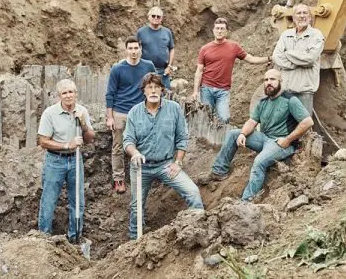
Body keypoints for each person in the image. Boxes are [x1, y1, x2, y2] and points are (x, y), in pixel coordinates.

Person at [205, 69, 313, 201]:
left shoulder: (290, 100)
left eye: (272, 79)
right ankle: (219, 172)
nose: (269, 83)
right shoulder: (263, 102)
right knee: (234, 134)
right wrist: (243, 134)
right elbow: (252, 121)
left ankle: (247, 200)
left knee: (259, 162)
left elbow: (308, 122)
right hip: (264, 138)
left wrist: (288, 139)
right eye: (266, 80)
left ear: (280, 81)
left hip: (281, 143)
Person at [123, 73, 204, 239]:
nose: (153, 91)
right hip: (141, 167)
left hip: (165, 165)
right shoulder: (134, 112)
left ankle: (197, 230)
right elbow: (128, 141)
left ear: (162, 90)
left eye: (156, 87)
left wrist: (178, 162)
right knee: (136, 206)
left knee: (193, 192)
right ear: (143, 91)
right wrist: (135, 153)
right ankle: (133, 241)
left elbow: (182, 138)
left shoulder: (173, 109)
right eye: (149, 88)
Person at [38, 79, 95, 242]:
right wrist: (67, 144)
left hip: (75, 159)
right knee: (49, 200)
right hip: (55, 160)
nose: (68, 95)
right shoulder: (50, 113)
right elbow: (43, 141)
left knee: (78, 200)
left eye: (71, 92)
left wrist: (83, 123)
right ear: (59, 96)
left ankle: (75, 238)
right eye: (64, 93)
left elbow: (90, 138)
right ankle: (43, 238)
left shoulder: (82, 111)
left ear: (76, 94)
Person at [191, 17, 270, 124]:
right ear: (213, 30)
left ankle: (221, 140)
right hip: (206, 88)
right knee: (205, 118)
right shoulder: (205, 49)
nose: (219, 31)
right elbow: (199, 71)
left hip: (223, 91)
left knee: (224, 118)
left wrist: (268, 59)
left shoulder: (234, 47)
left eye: (222, 29)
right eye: (217, 28)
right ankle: (205, 140)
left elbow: (250, 59)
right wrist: (195, 91)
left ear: (227, 31)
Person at [106, 36, 156, 194]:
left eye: (136, 48)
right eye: (131, 48)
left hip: (141, 112)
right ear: (126, 50)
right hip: (121, 111)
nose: (134, 51)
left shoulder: (148, 66)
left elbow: (154, 87)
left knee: (142, 145)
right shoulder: (117, 68)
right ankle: (119, 179)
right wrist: (110, 117)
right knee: (118, 147)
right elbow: (110, 94)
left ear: (140, 49)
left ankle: (144, 176)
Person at [272, 3, 325, 115]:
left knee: (303, 126)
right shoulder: (286, 35)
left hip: (304, 91)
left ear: (310, 17)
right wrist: (296, 63)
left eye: (305, 13)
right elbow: (276, 57)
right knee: (284, 127)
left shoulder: (316, 35)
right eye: (298, 13)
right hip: (285, 90)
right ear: (293, 17)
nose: (302, 16)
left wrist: (288, 53)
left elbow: (310, 59)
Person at [136, 6, 175, 90]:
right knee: (146, 93)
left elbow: (171, 48)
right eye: (153, 16)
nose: (156, 18)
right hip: (146, 71)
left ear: (162, 18)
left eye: (158, 16)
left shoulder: (167, 32)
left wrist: (170, 66)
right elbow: (136, 49)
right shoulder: (141, 32)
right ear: (148, 17)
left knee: (165, 95)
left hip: (163, 72)